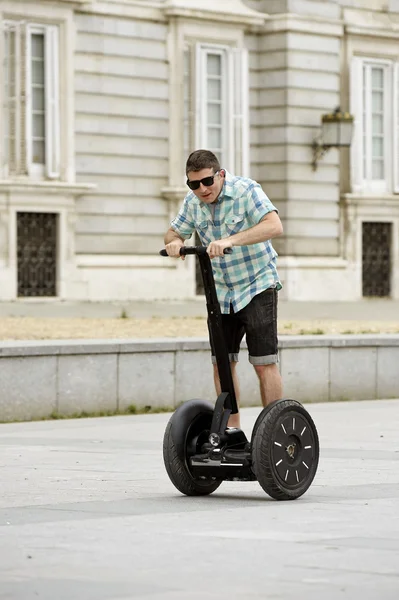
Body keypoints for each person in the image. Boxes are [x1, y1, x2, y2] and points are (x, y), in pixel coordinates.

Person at [164, 149, 283, 428]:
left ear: (220, 174)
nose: (202, 189)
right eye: (194, 184)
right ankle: (232, 432)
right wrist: (173, 242)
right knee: (222, 364)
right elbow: (174, 231)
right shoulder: (193, 203)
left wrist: (231, 240)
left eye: (207, 182)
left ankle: (274, 430)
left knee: (263, 363)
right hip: (220, 291)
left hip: (257, 285)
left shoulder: (246, 190)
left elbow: (274, 225)